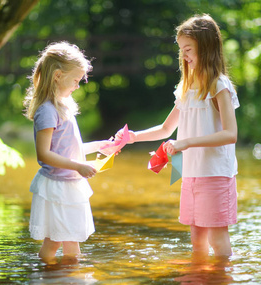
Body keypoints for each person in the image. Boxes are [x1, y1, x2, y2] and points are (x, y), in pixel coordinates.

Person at [116, 14, 239, 256]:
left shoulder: (219, 85)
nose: (183, 55)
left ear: (206, 47)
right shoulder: (186, 87)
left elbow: (230, 134)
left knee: (216, 239)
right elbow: (165, 129)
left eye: (188, 49)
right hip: (191, 174)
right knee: (197, 241)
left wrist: (186, 143)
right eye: (181, 49)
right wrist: (132, 137)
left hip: (215, 173)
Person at [23, 41, 113, 264]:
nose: (77, 85)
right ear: (57, 76)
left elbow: (69, 149)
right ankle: (48, 282)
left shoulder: (63, 106)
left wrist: (99, 146)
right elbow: (44, 155)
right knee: (54, 241)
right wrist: (79, 167)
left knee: (72, 240)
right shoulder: (47, 110)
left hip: (70, 183)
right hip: (57, 186)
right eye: (75, 80)